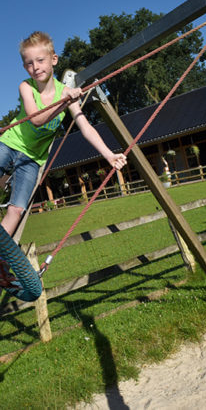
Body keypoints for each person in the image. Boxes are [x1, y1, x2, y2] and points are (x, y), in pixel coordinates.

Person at [0, 31, 127, 289]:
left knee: (17, 208)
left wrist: (109, 154)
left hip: (33, 159)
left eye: (40, 60)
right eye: (28, 63)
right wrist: (65, 102)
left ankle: (1, 256)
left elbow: (85, 126)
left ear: (53, 60)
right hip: (11, 143)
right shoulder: (26, 86)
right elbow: (36, 118)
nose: (35, 68)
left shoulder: (65, 92)